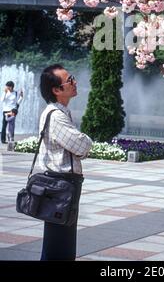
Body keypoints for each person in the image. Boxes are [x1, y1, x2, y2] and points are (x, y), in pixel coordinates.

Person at [39, 64, 92, 261]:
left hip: (62, 185)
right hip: (60, 186)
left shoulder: (60, 112)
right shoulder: (56, 116)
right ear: (56, 90)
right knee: (59, 246)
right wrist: (85, 142)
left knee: (62, 242)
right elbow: (82, 146)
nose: (74, 82)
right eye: (69, 80)